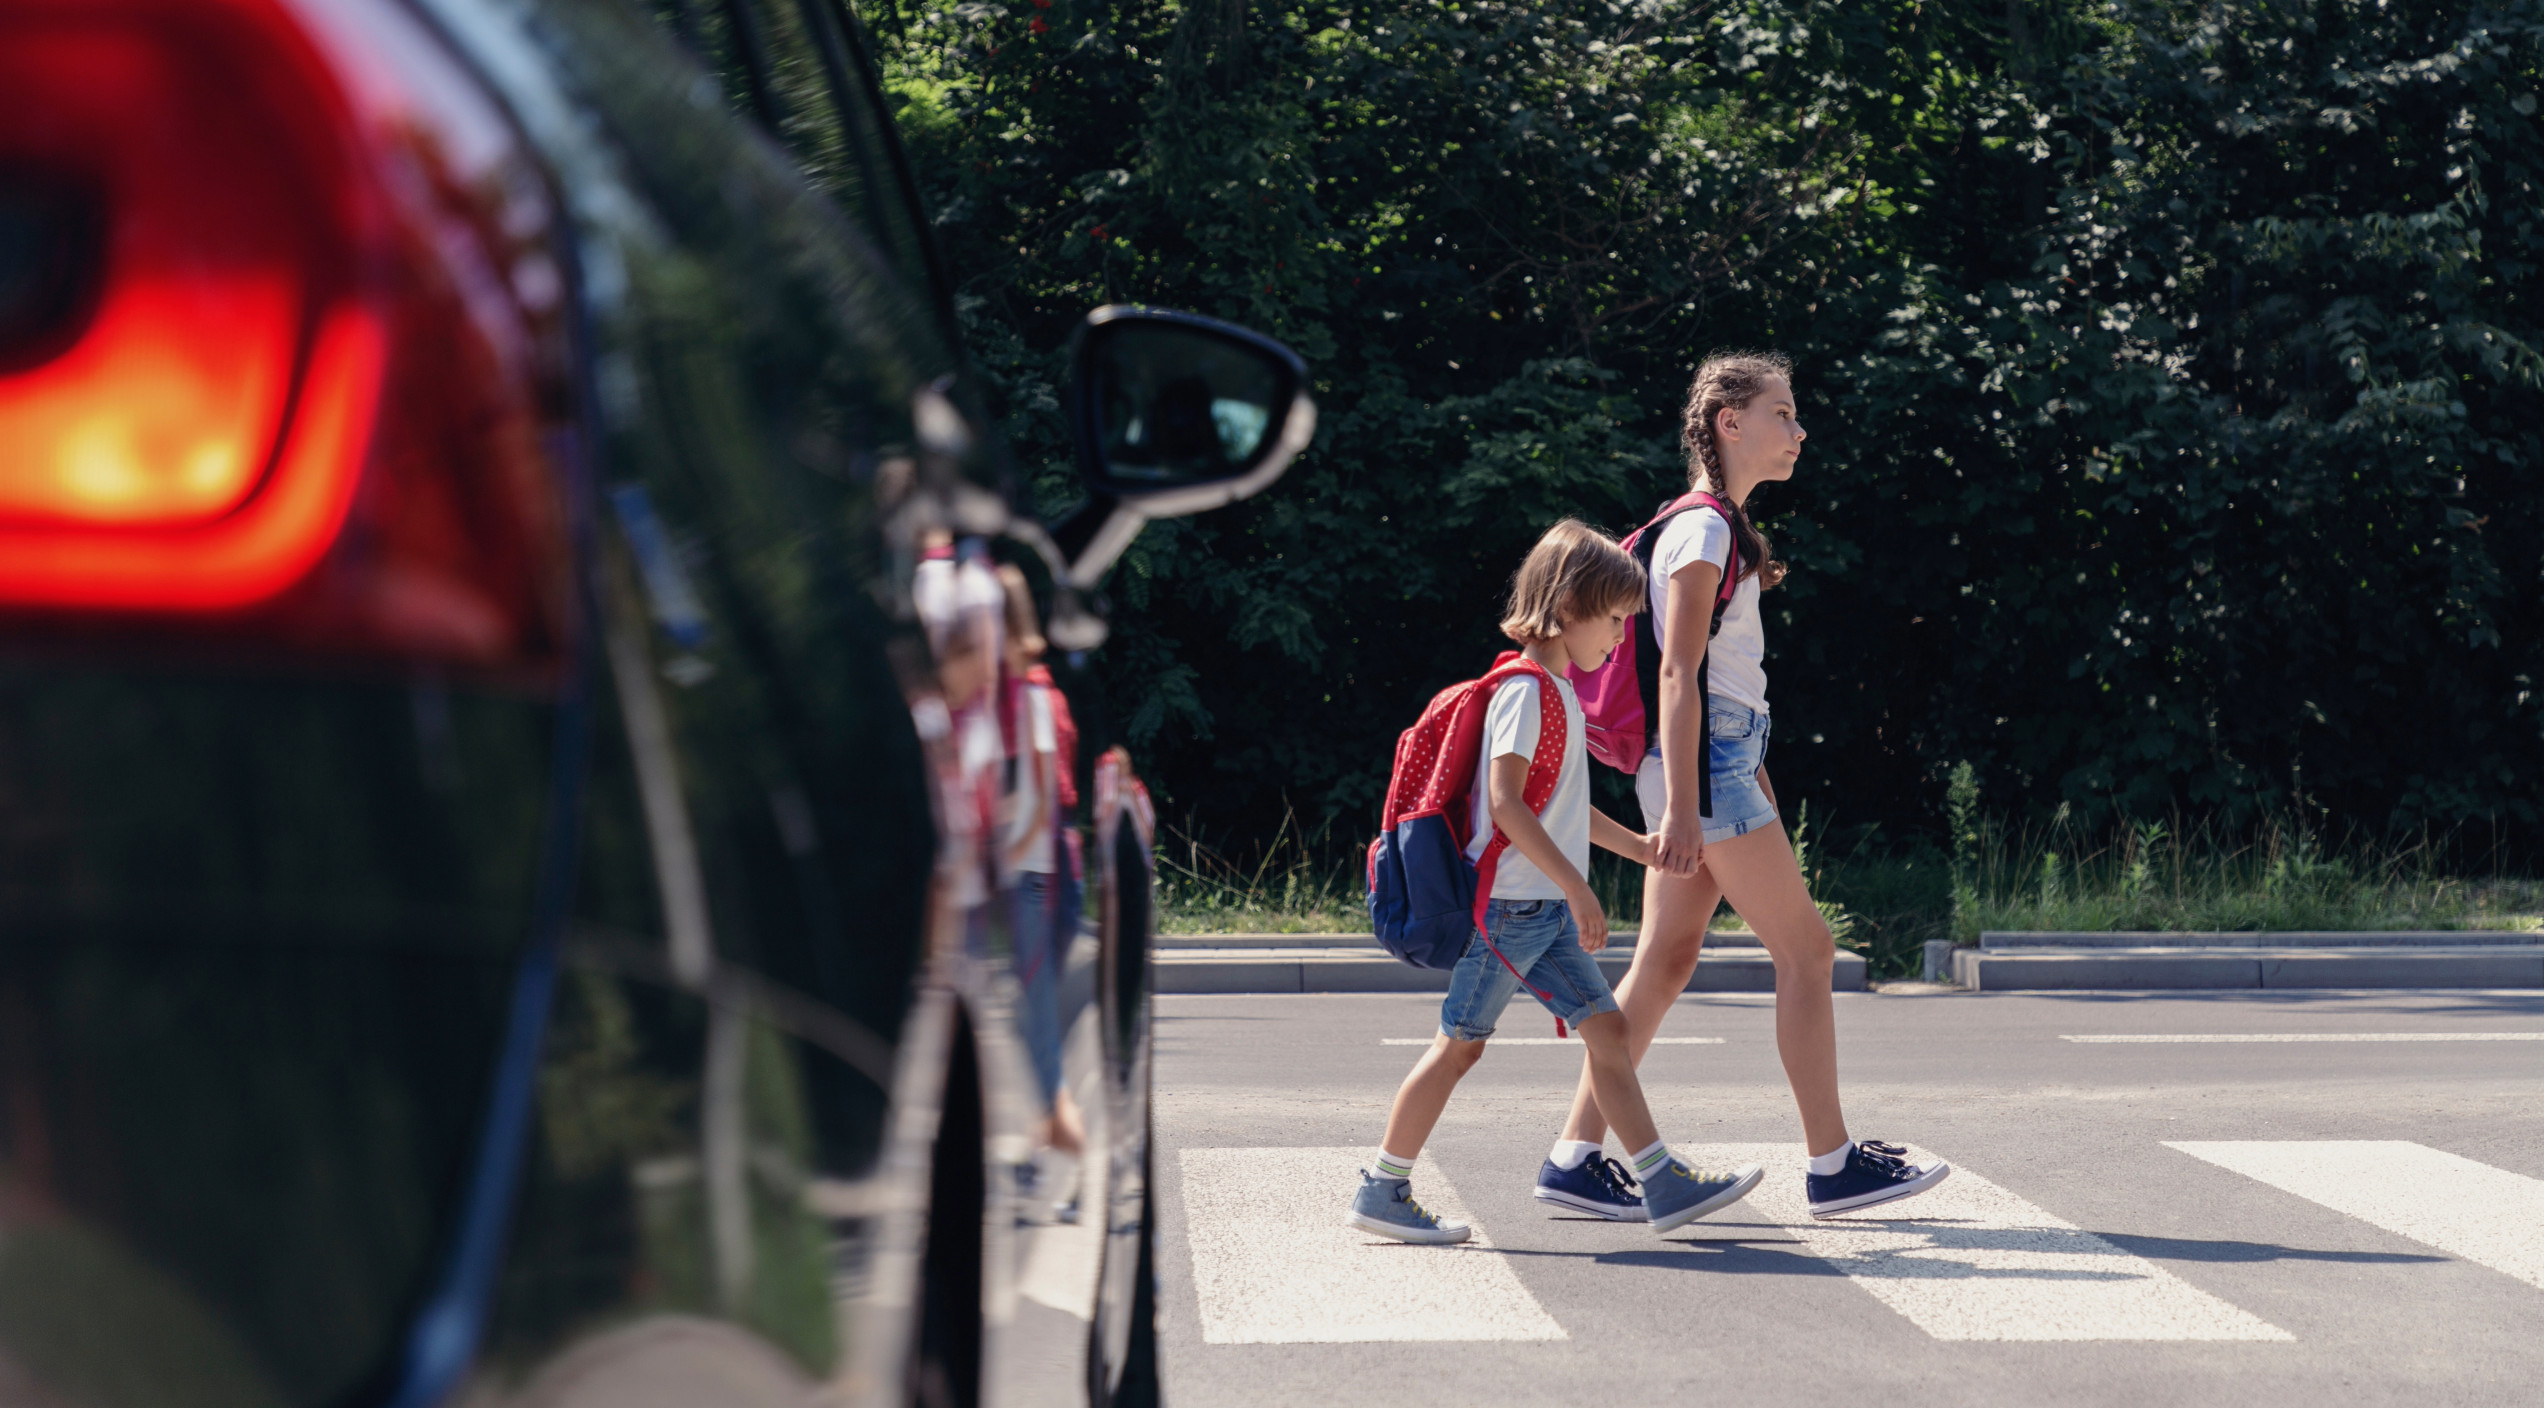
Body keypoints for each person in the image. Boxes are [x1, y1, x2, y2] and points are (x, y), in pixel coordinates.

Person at [1533, 352, 1950, 1224]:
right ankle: (1833, 1164)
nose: (1798, 431)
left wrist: (1734, 776)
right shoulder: (1706, 530)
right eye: (1782, 413)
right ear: (1729, 421)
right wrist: (1689, 805)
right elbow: (1679, 674)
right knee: (1807, 954)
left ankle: (1574, 1157)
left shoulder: (1712, 529)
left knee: (1666, 960)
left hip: (1717, 763)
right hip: (1703, 768)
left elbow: (1716, 679)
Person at [1348, 520, 1765, 1244]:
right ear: (1567, 606)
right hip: (1511, 911)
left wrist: (1639, 847)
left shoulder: (1558, 693)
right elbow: (1508, 803)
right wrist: (1578, 888)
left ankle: (1660, 1181)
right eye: (1612, 621)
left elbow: (1563, 808)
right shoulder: (1524, 690)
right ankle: (1384, 1187)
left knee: (1608, 1031)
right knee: (1460, 1047)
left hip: (1533, 910)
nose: (1617, 641)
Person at [996, 564, 1084, 1160]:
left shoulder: (1027, 699)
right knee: (1032, 1025)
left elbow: (1041, 800)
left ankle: (1060, 1154)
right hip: (1040, 874)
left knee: (1037, 1029)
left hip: (1030, 877)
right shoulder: (1029, 694)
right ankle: (1051, 1151)